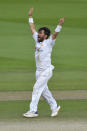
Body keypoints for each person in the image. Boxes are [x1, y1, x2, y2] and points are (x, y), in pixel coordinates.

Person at [23, 8, 64, 118]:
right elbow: (32, 28)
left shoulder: (49, 42)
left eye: (41, 33)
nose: (38, 35)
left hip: (46, 71)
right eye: (39, 33)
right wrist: (30, 16)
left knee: (37, 88)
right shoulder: (37, 40)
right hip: (38, 72)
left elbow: (55, 35)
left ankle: (33, 111)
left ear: (45, 36)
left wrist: (59, 25)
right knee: (44, 92)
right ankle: (54, 106)